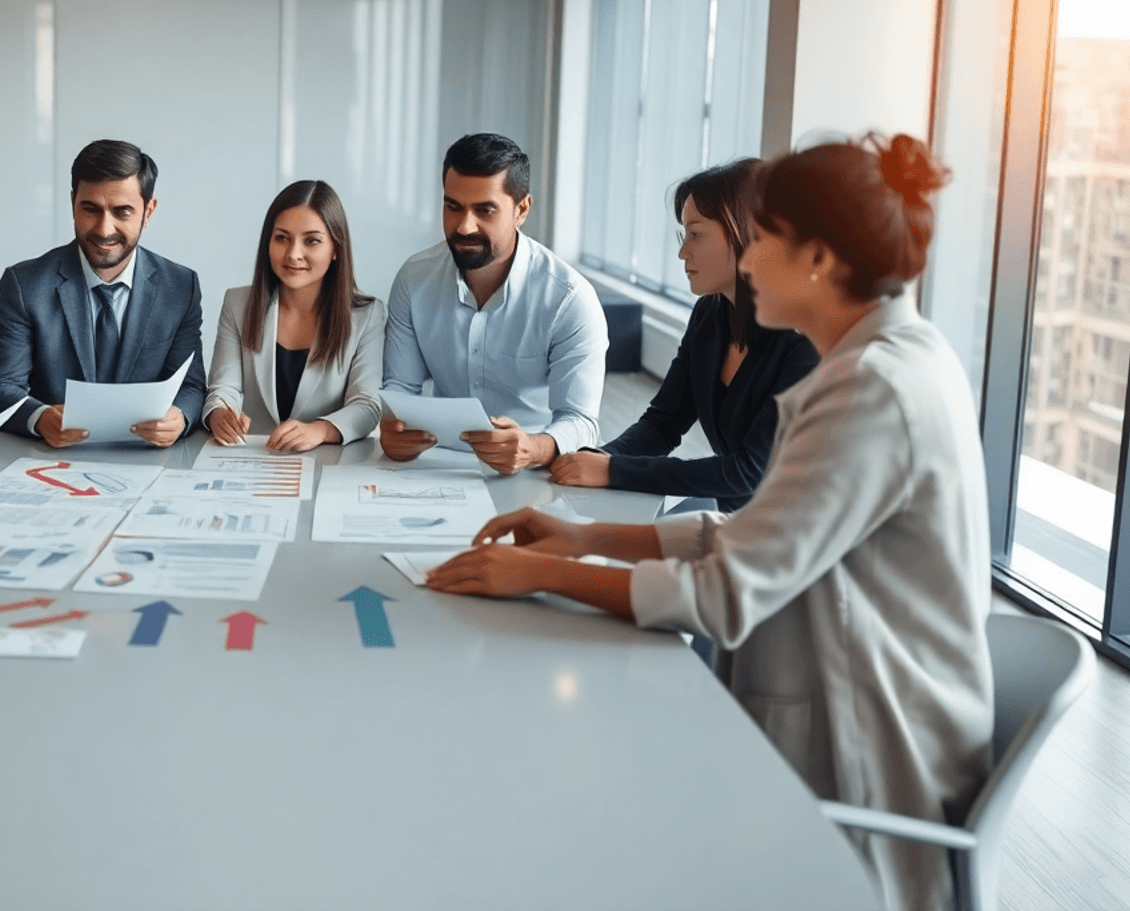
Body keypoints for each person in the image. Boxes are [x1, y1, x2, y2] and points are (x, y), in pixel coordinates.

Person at [427, 134, 990, 911]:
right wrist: (585, 538)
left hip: (857, 776)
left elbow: (725, 591)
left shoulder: (868, 390)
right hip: (828, 699)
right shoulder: (885, 357)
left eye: (764, 243)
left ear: (818, 257)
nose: (749, 264)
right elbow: (758, 535)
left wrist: (542, 574)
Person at [550, 160, 819, 511]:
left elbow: (748, 473)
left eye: (695, 234)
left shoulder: (804, 340)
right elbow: (663, 424)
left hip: (802, 524)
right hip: (739, 508)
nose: (682, 252)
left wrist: (614, 470)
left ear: (744, 234)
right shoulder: (710, 313)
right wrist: (594, 459)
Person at [380, 132, 608, 474]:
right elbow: (400, 388)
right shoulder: (414, 279)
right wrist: (393, 428)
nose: (464, 226)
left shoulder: (569, 298)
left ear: (522, 209)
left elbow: (581, 420)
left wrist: (535, 448)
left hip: (534, 470)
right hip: (436, 464)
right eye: (452, 206)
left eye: (484, 210)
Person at [0, 139, 205, 447]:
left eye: (122, 212)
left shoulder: (180, 287)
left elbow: (190, 384)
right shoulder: (25, 284)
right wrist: (40, 417)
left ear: (148, 211)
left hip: (145, 460)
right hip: (48, 463)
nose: (104, 229)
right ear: (73, 203)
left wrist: (179, 417)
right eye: (90, 209)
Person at [203, 180, 384, 451]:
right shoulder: (237, 303)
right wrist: (219, 414)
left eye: (312, 241)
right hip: (251, 459)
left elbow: (368, 404)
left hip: (329, 465)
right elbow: (222, 388)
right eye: (282, 238)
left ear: (336, 247)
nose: (293, 254)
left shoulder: (367, 315)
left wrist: (321, 429)